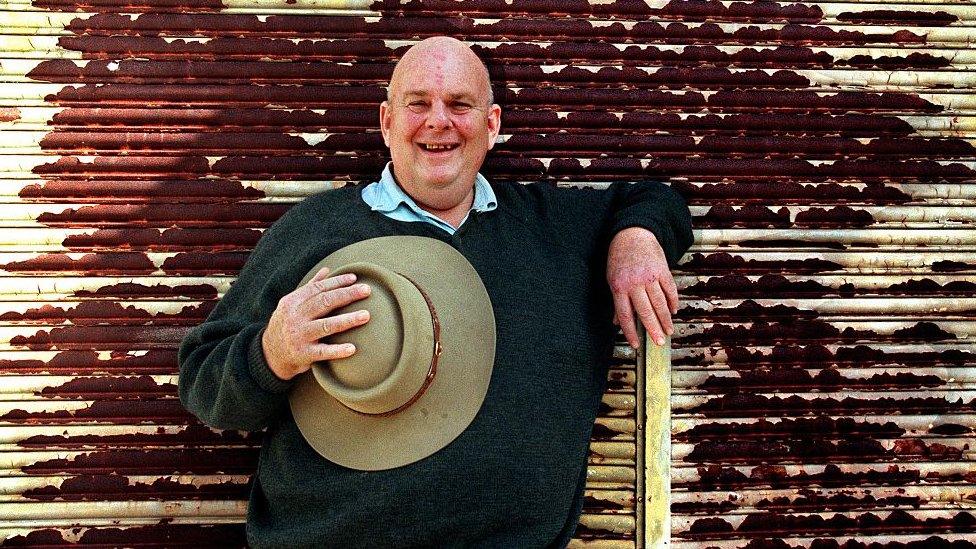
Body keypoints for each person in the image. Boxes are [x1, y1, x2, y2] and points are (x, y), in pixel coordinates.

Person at [178, 36, 693, 547]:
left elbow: (657, 198)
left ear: (492, 125)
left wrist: (635, 239)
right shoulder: (316, 230)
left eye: (459, 105)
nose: (438, 121)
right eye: (418, 104)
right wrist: (273, 353)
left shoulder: (554, 227)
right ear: (386, 122)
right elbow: (203, 383)